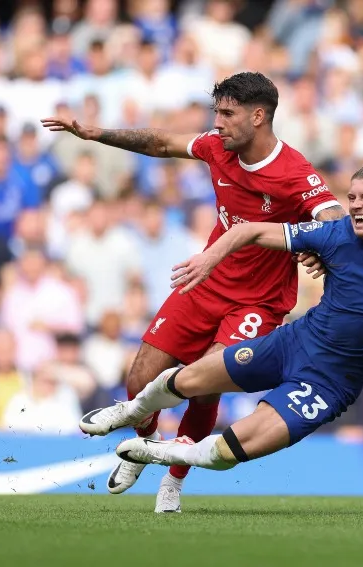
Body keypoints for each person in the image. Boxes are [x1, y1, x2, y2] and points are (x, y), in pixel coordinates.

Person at [42, 71, 345, 512]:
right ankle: (145, 446)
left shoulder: (293, 171)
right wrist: (95, 134)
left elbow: (334, 216)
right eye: (216, 112)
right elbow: (160, 142)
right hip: (206, 280)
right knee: (138, 379)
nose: (217, 123)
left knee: (204, 383)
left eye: (227, 113)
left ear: (258, 116)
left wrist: (319, 245)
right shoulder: (217, 147)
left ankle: (174, 481)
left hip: (258, 300)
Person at [79, 164, 363, 483]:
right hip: (293, 343)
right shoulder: (337, 234)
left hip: (331, 381)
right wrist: (209, 258)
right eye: (352, 197)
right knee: (191, 378)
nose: (356, 206)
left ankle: (157, 455)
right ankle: (130, 412)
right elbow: (251, 230)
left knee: (227, 451)